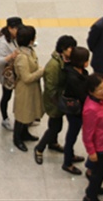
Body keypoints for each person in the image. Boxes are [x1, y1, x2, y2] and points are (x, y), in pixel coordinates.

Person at [34, 35, 77, 164]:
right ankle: (39, 148)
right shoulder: (53, 65)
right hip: (54, 101)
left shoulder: (65, 60)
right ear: (63, 49)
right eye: (70, 48)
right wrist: (58, 103)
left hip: (59, 99)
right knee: (55, 127)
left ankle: (52, 143)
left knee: (55, 124)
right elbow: (50, 88)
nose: (73, 51)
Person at [82, 74, 103, 201]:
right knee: (98, 174)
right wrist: (91, 151)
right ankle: (90, 196)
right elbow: (87, 133)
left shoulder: (101, 101)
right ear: (91, 91)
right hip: (99, 146)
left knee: (101, 172)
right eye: (100, 89)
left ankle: (95, 188)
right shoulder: (90, 109)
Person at [12, 25, 44, 152]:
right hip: (24, 89)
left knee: (28, 112)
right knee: (22, 115)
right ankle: (17, 138)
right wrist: (41, 71)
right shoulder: (22, 57)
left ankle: (25, 133)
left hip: (31, 89)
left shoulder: (29, 50)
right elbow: (26, 78)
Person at [62, 46, 90, 175]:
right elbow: (82, 95)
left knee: (73, 134)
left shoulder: (81, 72)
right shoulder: (73, 77)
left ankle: (70, 154)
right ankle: (67, 162)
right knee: (72, 135)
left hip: (78, 109)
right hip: (75, 111)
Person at [0, 17, 23, 130]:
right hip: (8, 76)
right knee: (6, 96)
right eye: (16, 28)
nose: (19, 31)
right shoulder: (3, 42)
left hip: (18, 72)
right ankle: (5, 118)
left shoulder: (16, 37)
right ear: (10, 29)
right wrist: (11, 56)